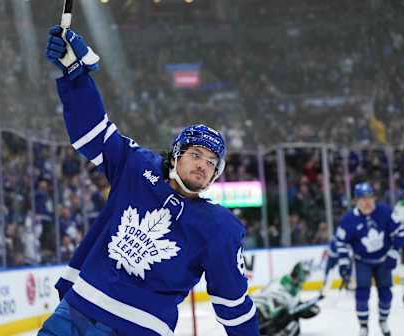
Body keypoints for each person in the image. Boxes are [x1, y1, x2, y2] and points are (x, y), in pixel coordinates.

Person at [40, 25, 258, 336]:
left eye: (212, 163)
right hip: (77, 308)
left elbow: (233, 302)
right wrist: (76, 73)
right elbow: (91, 131)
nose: (203, 166)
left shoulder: (220, 227)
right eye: (196, 154)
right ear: (176, 155)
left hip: (138, 328)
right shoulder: (136, 167)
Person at [335, 182, 404, 336]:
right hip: (362, 261)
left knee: (386, 294)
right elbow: (341, 243)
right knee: (361, 294)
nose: (367, 202)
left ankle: (383, 320)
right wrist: (344, 264)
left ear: (374, 198)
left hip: (383, 260)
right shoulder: (348, 220)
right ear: (356, 201)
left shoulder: (385, 212)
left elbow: (401, 234)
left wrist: (394, 252)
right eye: (362, 199)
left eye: (369, 198)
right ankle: (363, 326)